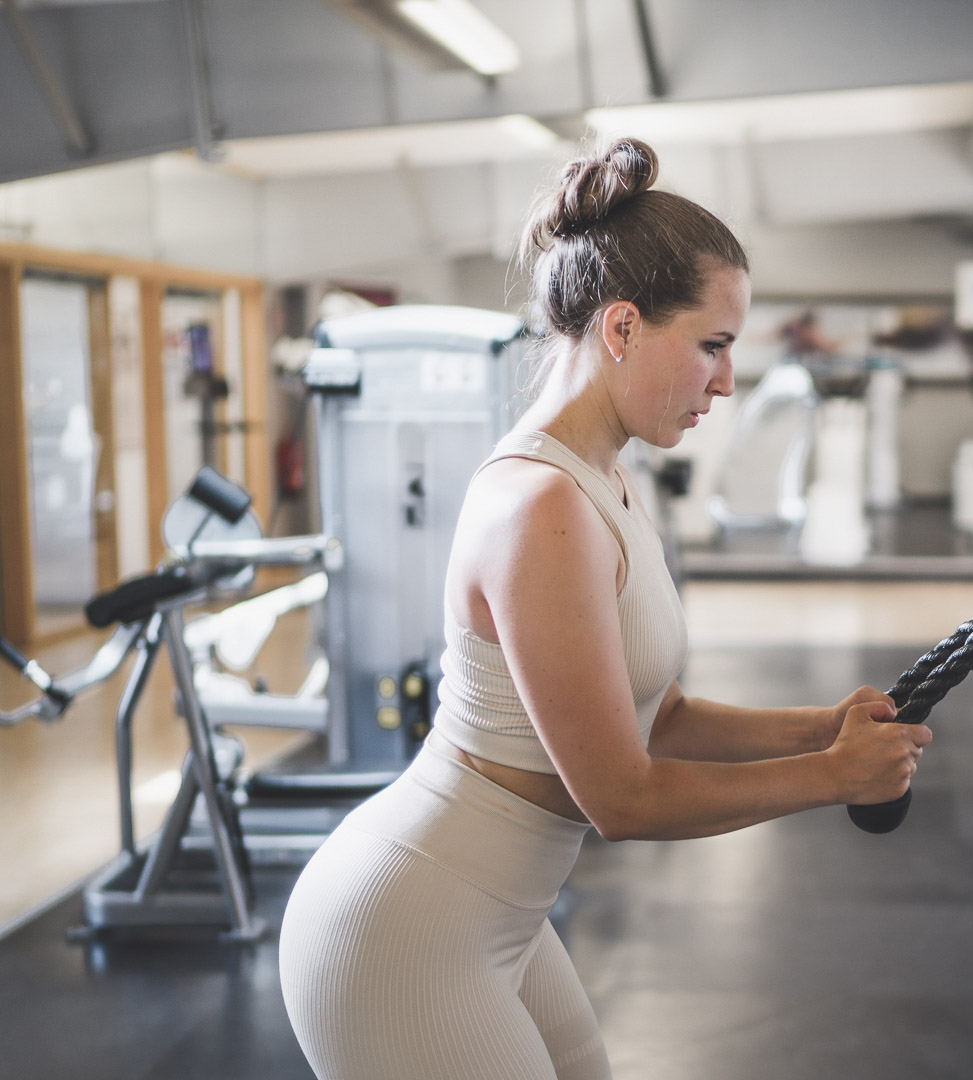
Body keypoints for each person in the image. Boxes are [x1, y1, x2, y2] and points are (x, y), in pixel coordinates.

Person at [278, 138, 931, 1080]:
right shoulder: (540, 504)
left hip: (502, 912)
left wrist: (823, 727)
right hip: (406, 925)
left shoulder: (606, 481)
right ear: (622, 327)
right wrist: (833, 777)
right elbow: (621, 797)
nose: (727, 379)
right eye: (712, 344)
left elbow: (654, 716)